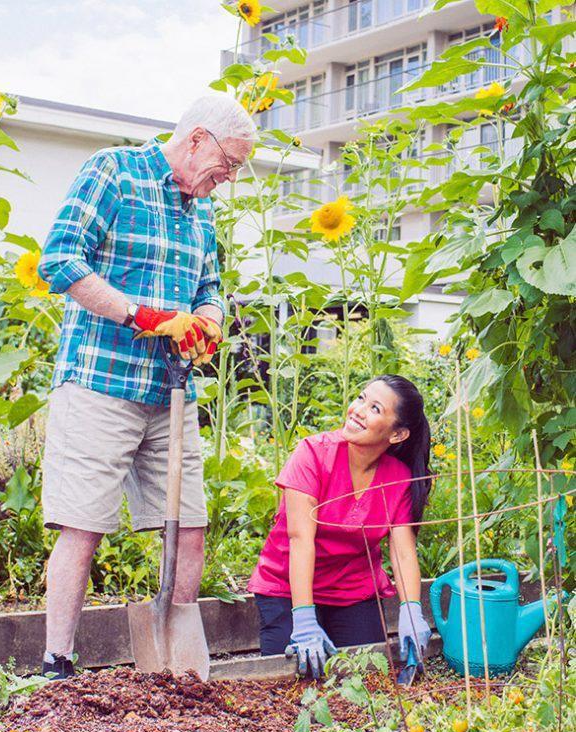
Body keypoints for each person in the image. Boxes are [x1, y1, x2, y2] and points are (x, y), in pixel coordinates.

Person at [37, 94, 256, 679]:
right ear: (196, 140)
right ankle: (57, 658)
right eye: (228, 163)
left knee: (189, 523)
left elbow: (210, 283)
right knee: (83, 522)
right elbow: (59, 260)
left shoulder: (200, 207)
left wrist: (207, 318)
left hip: (172, 391)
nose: (227, 178)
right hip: (100, 383)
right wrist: (144, 316)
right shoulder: (113, 172)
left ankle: (174, 661)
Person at [248, 375, 432, 677]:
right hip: (286, 586)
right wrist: (304, 618)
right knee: (293, 678)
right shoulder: (312, 454)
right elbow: (300, 540)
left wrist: (411, 610)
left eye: (374, 408)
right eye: (361, 398)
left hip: (351, 589)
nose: (358, 410)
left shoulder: (397, 478)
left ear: (397, 435)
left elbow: (403, 553)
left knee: (367, 676)